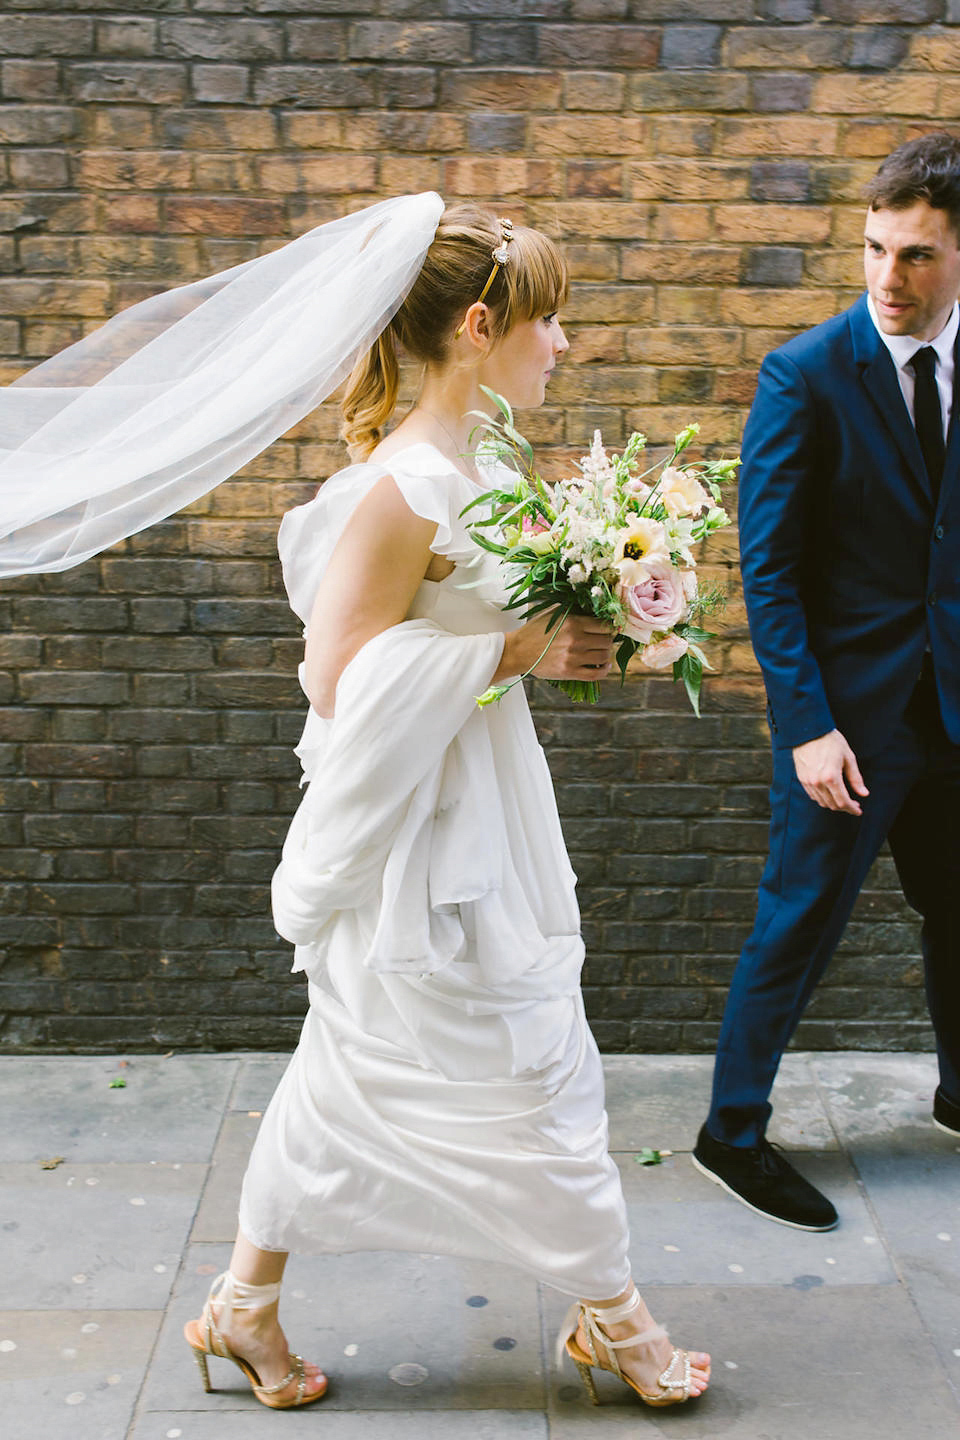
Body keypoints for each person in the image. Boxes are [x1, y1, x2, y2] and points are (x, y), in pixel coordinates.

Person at [173, 202, 711, 1409]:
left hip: (479, 802)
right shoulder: (406, 487)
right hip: (420, 836)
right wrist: (510, 655)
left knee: (365, 1064)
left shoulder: (495, 464)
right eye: (548, 321)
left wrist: (593, 621)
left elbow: (470, 632)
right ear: (481, 329)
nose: (563, 344)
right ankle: (616, 1323)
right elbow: (336, 678)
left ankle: (242, 1308)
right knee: (530, 1068)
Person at [693, 132, 960, 1232]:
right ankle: (732, 1132)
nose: (888, 279)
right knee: (800, 919)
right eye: (874, 249)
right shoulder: (804, 375)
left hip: (952, 712)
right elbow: (770, 567)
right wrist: (806, 723)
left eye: (918, 257)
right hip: (847, 725)